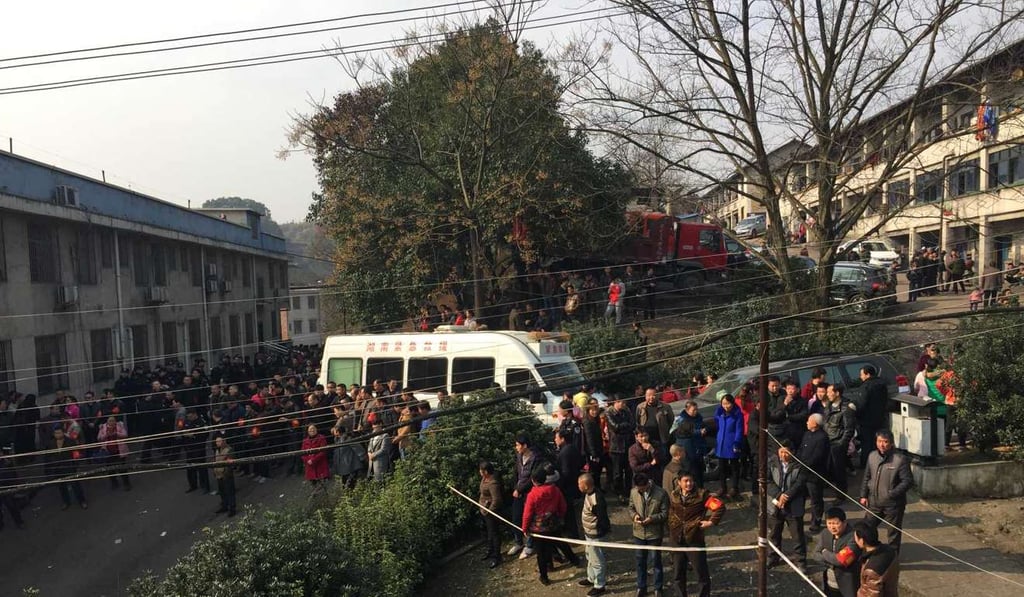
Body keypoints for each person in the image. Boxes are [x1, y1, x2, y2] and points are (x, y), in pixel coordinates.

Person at [667, 472, 725, 597]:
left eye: (691, 481)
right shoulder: (674, 495)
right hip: (677, 540)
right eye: (686, 481)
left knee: (701, 573)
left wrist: (711, 522)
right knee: (678, 573)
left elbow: (719, 507)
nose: (689, 484)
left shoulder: (701, 495)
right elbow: (671, 511)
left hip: (694, 539)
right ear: (679, 482)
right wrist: (672, 524)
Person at [859, 429, 913, 551]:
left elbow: (908, 481)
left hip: (893, 505)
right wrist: (863, 495)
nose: (882, 445)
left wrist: (892, 494)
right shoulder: (872, 456)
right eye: (879, 441)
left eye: (885, 442)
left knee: (893, 534)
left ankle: (892, 560)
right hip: (874, 503)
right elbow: (867, 476)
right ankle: (869, 551)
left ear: (891, 443)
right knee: (866, 528)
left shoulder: (900, 459)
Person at [521, 468, 568, 586]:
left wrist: (525, 528)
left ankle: (544, 576)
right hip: (552, 524)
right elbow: (563, 505)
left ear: (533, 480)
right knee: (554, 544)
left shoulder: (532, 495)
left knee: (541, 553)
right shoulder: (555, 490)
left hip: (538, 529)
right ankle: (572, 560)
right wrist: (560, 516)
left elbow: (527, 514)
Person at [767, 441, 808, 572]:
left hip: (793, 505)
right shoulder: (772, 461)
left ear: (792, 452)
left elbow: (800, 483)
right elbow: (767, 481)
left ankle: (801, 561)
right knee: (774, 533)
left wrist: (787, 496)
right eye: (781, 452)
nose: (783, 455)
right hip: (776, 504)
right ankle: (773, 557)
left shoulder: (799, 464)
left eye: (786, 452)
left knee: (797, 536)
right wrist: (779, 495)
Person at [629, 472, 669, 597]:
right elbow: (630, 508)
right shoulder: (633, 492)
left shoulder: (661, 493)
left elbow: (665, 513)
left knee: (656, 561)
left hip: (654, 534)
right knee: (640, 561)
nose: (640, 490)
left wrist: (652, 519)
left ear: (648, 484)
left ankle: (658, 587)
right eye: (638, 488)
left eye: (643, 488)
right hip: (639, 533)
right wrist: (634, 516)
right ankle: (641, 587)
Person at [578, 472, 611, 596]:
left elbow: (602, 518)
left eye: (579, 484)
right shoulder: (588, 494)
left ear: (586, 486)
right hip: (589, 534)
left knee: (597, 560)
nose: (578, 486)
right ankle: (591, 578)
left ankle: (599, 585)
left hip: (595, 535)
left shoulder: (597, 498)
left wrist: (600, 531)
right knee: (589, 556)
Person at [816, 508, 861, 597]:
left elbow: (841, 561)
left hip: (847, 585)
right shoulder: (825, 533)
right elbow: (816, 555)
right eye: (829, 523)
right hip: (829, 582)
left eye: (836, 523)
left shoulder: (853, 537)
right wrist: (831, 563)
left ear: (844, 522)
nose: (832, 527)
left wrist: (824, 552)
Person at [509, 434, 541, 558]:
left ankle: (529, 545)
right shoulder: (519, 456)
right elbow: (516, 473)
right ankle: (518, 542)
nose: (516, 447)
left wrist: (520, 489)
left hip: (529, 492)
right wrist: (515, 488)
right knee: (516, 517)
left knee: (528, 518)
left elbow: (532, 477)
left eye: (518, 445)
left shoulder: (535, 458)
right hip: (518, 491)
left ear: (525, 446)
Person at [823, 384, 856, 499]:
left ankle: (841, 495)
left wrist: (842, 444)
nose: (827, 394)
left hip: (837, 443)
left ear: (837, 393)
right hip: (827, 441)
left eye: (829, 392)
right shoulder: (829, 405)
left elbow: (849, 429)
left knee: (839, 471)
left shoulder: (846, 408)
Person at [799, 413, 830, 532]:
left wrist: (806, 464)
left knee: (815, 498)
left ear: (815, 423)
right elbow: (801, 449)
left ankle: (816, 521)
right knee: (800, 496)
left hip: (814, 473)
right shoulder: (806, 434)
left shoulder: (822, 438)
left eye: (809, 420)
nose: (807, 422)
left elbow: (818, 456)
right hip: (802, 472)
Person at [45, 426, 87, 510]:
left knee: (75, 485)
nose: (58, 435)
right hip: (58, 468)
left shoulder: (70, 441)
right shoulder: (51, 443)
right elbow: (48, 456)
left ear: (63, 433)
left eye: (59, 432)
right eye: (56, 433)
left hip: (69, 466)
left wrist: (75, 464)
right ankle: (66, 502)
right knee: (61, 486)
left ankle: (82, 501)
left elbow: (76, 453)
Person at [854, 366, 888, 468]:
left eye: (862, 374)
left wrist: (856, 414)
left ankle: (866, 464)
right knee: (878, 442)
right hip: (880, 418)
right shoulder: (882, 384)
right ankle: (879, 462)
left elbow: (861, 404)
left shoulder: (866, 386)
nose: (860, 377)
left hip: (867, 420)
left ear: (867, 374)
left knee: (867, 444)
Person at [853, 522, 900, 597]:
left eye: (855, 537)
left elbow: (873, 594)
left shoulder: (872, 570)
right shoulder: (890, 550)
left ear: (861, 541)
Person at [555, 428, 584, 540]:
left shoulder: (565, 452)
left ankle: (572, 534)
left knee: (568, 512)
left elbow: (566, 472)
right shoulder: (572, 448)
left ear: (562, 439)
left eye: (556, 438)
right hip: (574, 482)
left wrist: (560, 485)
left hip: (567, 486)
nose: (555, 440)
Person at [605, 394, 635, 504]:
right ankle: (619, 492)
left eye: (624, 402)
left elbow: (632, 425)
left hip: (627, 444)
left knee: (628, 470)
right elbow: (615, 427)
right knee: (617, 472)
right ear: (615, 402)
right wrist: (625, 426)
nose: (623, 404)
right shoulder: (609, 412)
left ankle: (628, 491)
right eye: (621, 402)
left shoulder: (626, 411)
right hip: (616, 447)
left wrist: (624, 426)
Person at [669, 400, 706, 487]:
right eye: (693, 410)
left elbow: (702, 426)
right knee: (691, 471)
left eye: (697, 409)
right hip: (688, 449)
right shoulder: (681, 420)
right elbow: (685, 432)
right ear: (687, 410)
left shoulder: (699, 417)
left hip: (698, 447)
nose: (696, 412)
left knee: (700, 471)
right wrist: (699, 432)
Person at [714, 394, 745, 499]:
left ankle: (734, 487)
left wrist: (737, 442)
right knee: (722, 467)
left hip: (731, 443)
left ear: (732, 403)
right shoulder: (719, 413)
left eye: (728, 403)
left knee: (734, 467)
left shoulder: (737, 414)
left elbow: (739, 430)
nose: (726, 406)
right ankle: (723, 487)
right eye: (723, 403)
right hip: (721, 443)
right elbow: (717, 425)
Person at [478, 460, 504, 569]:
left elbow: (497, 500)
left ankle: (497, 556)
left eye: (481, 470)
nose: (479, 472)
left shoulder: (493, 483)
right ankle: (490, 551)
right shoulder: (485, 478)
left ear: (486, 471)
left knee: (494, 534)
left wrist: (489, 511)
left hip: (491, 512)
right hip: (484, 510)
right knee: (489, 533)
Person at [637, 388, 674, 461]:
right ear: (645, 396)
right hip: (646, 440)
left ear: (657, 395)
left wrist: (665, 429)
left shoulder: (665, 406)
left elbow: (671, 420)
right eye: (648, 395)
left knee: (663, 459)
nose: (651, 397)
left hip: (661, 439)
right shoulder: (640, 407)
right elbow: (637, 421)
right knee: (649, 460)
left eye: (653, 395)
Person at [97, 416, 132, 491]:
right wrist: (106, 435)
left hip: (119, 451)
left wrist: (116, 434)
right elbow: (99, 438)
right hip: (108, 452)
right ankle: (114, 483)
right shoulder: (103, 428)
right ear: (107, 422)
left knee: (122, 468)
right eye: (110, 421)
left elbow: (125, 435)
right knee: (110, 469)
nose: (112, 422)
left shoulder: (119, 426)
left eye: (113, 421)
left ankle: (126, 484)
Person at [182, 409, 211, 494]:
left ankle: (205, 486)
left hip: (199, 449)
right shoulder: (187, 421)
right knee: (190, 468)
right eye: (188, 417)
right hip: (189, 449)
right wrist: (185, 434)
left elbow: (205, 435)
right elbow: (183, 430)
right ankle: (192, 485)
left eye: (190, 416)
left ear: (195, 414)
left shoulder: (201, 422)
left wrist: (194, 435)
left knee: (202, 468)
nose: (189, 418)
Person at [212, 433, 236, 517]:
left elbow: (230, 463)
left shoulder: (229, 450)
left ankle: (232, 508)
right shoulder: (217, 450)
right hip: (219, 475)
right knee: (222, 492)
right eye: (216, 442)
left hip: (226, 475)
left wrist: (226, 473)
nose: (217, 443)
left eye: (219, 441)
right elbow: (215, 460)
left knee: (229, 492)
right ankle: (224, 506)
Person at [301, 424, 330, 488]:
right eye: (310, 429)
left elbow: (323, 451)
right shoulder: (305, 441)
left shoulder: (321, 438)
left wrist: (313, 459)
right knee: (314, 485)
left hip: (320, 464)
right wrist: (307, 460)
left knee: (322, 484)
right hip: (310, 466)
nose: (312, 430)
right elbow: (302, 453)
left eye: (313, 428)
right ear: (308, 431)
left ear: (316, 429)